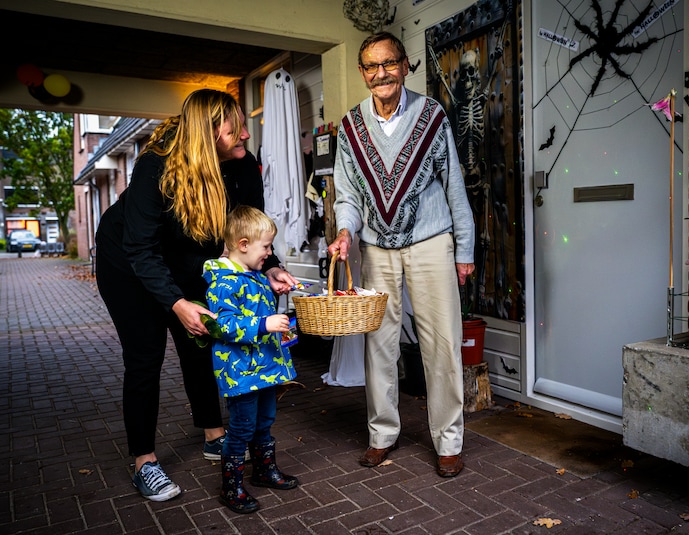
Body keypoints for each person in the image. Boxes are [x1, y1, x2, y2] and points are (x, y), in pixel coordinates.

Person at [95, 89, 299, 502]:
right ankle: (144, 461)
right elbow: (140, 248)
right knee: (145, 357)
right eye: (235, 129)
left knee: (201, 342)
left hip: (189, 260)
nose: (245, 134)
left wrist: (270, 265)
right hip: (130, 264)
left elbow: (250, 228)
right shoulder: (156, 166)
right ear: (208, 133)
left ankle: (213, 435)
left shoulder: (242, 165)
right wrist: (176, 303)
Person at [327, 31, 475, 478]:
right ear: (362, 73)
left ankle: (449, 441)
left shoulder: (431, 115)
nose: (381, 74)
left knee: (443, 344)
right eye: (372, 66)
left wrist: (464, 249)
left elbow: (454, 185)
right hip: (377, 248)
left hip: (431, 241)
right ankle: (382, 434)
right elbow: (348, 195)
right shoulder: (351, 127)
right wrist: (345, 231)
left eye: (389, 63)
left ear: (405, 66)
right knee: (379, 346)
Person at [202, 205, 299, 514]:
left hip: (265, 368)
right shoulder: (223, 282)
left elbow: (256, 306)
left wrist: (275, 292)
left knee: (265, 421)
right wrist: (264, 324)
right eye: (266, 247)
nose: (269, 253)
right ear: (243, 244)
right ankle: (230, 487)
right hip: (241, 372)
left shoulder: (254, 275)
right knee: (242, 428)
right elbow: (221, 325)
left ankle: (263, 471)